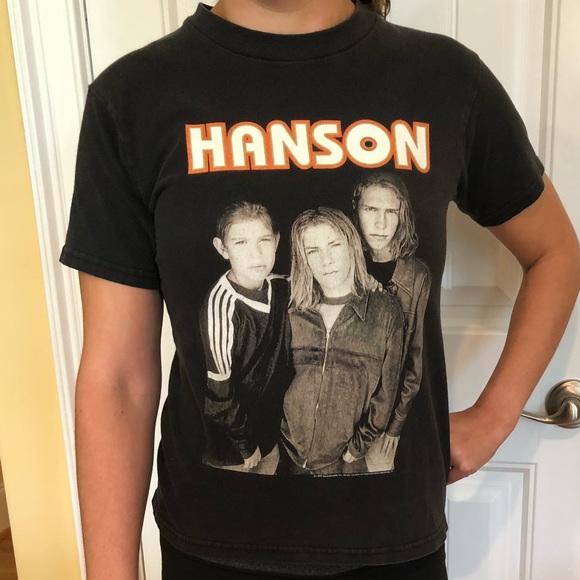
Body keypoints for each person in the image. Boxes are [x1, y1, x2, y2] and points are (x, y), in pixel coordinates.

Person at [60, 0, 580, 579]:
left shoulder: (445, 79)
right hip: (212, 536)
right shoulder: (132, 97)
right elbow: (117, 377)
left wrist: (496, 416)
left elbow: (555, 253)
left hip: (391, 539)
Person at [279, 207, 403, 476]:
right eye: (313, 251)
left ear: (352, 246)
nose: (326, 260)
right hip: (287, 456)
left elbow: (387, 391)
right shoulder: (290, 306)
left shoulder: (384, 309)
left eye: (334, 245)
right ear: (303, 259)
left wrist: (356, 448)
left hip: (348, 460)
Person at [199, 202, 291, 475]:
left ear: (277, 241)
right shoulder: (221, 305)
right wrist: (245, 444)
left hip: (268, 434)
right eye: (241, 242)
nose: (256, 254)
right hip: (233, 448)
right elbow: (218, 395)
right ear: (222, 248)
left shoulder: (280, 286)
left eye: (264, 240)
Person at [352, 172, 431, 472]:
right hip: (341, 410)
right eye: (371, 209)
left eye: (391, 212)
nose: (380, 223)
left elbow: (415, 360)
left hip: (385, 419)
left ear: (402, 216)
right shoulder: (340, 262)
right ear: (357, 211)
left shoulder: (416, 276)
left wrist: (394, 425)